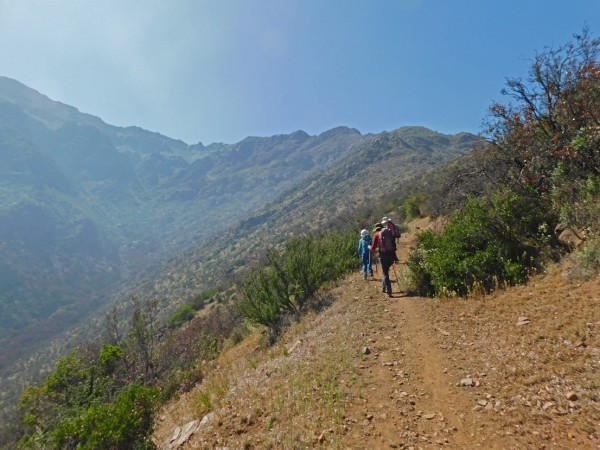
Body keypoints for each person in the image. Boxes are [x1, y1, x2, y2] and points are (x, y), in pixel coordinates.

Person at [369, 223, 395, 297]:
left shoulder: (376, 235)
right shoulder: (389, 232)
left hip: (383, 256)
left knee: (385, 273)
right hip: (392, 255)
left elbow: (373, 248)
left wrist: (369, 247)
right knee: (385, 271)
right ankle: (383, 287)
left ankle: (389, 291)